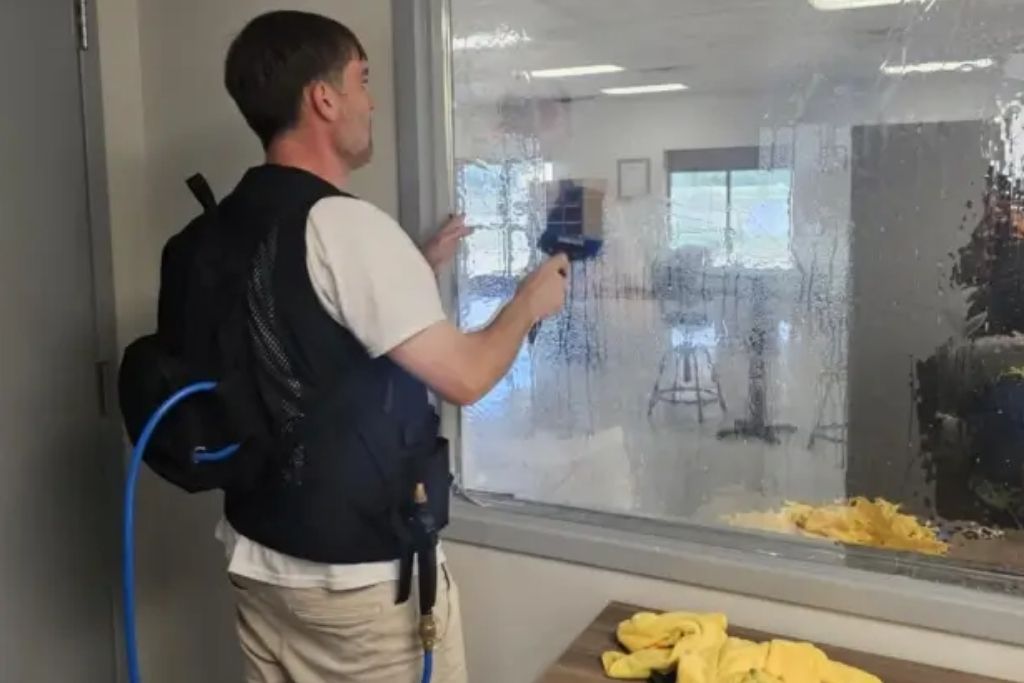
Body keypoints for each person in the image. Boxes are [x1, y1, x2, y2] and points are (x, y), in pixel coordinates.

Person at [210, 9, 569, 683]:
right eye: (362, 79)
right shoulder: (343, 225)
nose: (371, 101)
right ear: (323, 98)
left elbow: (291, 326)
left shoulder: (224, 224)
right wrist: (528, 302)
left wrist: (413, 265)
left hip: (255, 559)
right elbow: (465, 376)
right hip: (353, 583)